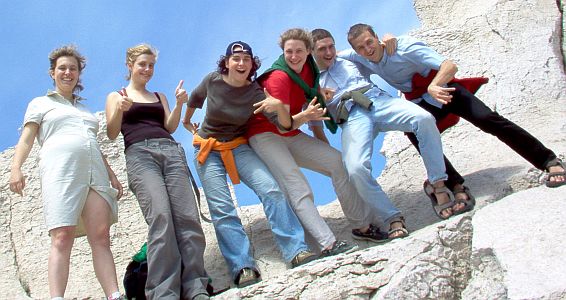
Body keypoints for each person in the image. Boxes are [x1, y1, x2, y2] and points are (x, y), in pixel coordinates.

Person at [341, 23, 565, 198]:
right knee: (414, 131)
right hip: (421, 100)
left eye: (370, 42)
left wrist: (434, 85)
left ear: (377, 37)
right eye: (361, 47)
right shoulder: (362, 59)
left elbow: (449, 65)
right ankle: (455, 186)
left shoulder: (403, 46)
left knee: (487, 119)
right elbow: (326, 59)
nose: (367, 49)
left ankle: (548, 161)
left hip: (444, 87)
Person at [247, 28, 402, 254]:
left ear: (308, 51)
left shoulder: (309, 69)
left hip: (290, 133)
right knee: (296, 184)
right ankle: (327, 244)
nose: (293, 56)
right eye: (288, 51)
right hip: (265, 134)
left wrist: (319, 108)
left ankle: (362, 225)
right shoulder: (279, 78)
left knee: (338, 163)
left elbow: (311, 95)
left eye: (299, 50)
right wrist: (306, 116)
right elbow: (284, 123)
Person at [183, 41, 320, 288]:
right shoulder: (212, 80)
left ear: (251, 64)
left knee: (272, 190)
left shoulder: (255, 93)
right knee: (222, 209)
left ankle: (296, 250)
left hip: (237, 145)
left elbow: (284, 126)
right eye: (236, 58)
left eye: (246, 58)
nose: (241, 62)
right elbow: (194, 99)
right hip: (207, 149)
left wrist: (285, 108)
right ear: (226, 62)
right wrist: (187, 121)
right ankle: (243, 266)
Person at [310, 28, 461, 222]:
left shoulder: (349, 58)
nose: (329, 52)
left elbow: (375, 50)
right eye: (322, 49)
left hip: (377, 101)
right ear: (311, 52)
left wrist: (390, 38)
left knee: (423, 119)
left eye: (331, 46)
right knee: (355, 168)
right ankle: (391, 218)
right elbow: (315, 123)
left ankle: (438, 185)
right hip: (351, 117)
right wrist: (317, 93)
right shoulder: (311, 83)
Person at [9, 45, 123, 300]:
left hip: (95, 173)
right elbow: (27, 139)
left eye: (73, 68)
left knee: (101, 236)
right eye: (62, 68)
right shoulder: (40, 103)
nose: (68, 72)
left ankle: (114, 295)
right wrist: (16, 167)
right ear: (52, 73)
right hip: (61, 171)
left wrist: (112, 174)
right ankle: (57, 297)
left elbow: (93, 142)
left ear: (79, 74)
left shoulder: (83, 109)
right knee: (62, 236)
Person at [105, 44, 209, 300]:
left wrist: (179, 104)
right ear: (130, 65)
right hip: (140, 155)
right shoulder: (116, 95)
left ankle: (196, 287)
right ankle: (163, 293)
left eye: (151, 65)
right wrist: (120, 109)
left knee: (188, 218)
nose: (147, 70)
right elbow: (110, 132)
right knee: (161, 218)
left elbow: (170, 127)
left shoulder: (158, 95)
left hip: (170, 152)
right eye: (142, 64)